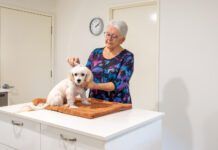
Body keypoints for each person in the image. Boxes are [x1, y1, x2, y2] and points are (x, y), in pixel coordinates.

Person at [68, 20, 134, 104]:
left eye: (114, 36)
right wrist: (76, 66)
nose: (109, 39)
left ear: (122, 40)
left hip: (117, 104)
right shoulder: (96, 52)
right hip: (95, 101)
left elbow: (119, 84)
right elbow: (86, 75)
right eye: (107, 34)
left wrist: (95, 86)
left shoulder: (127, 56)